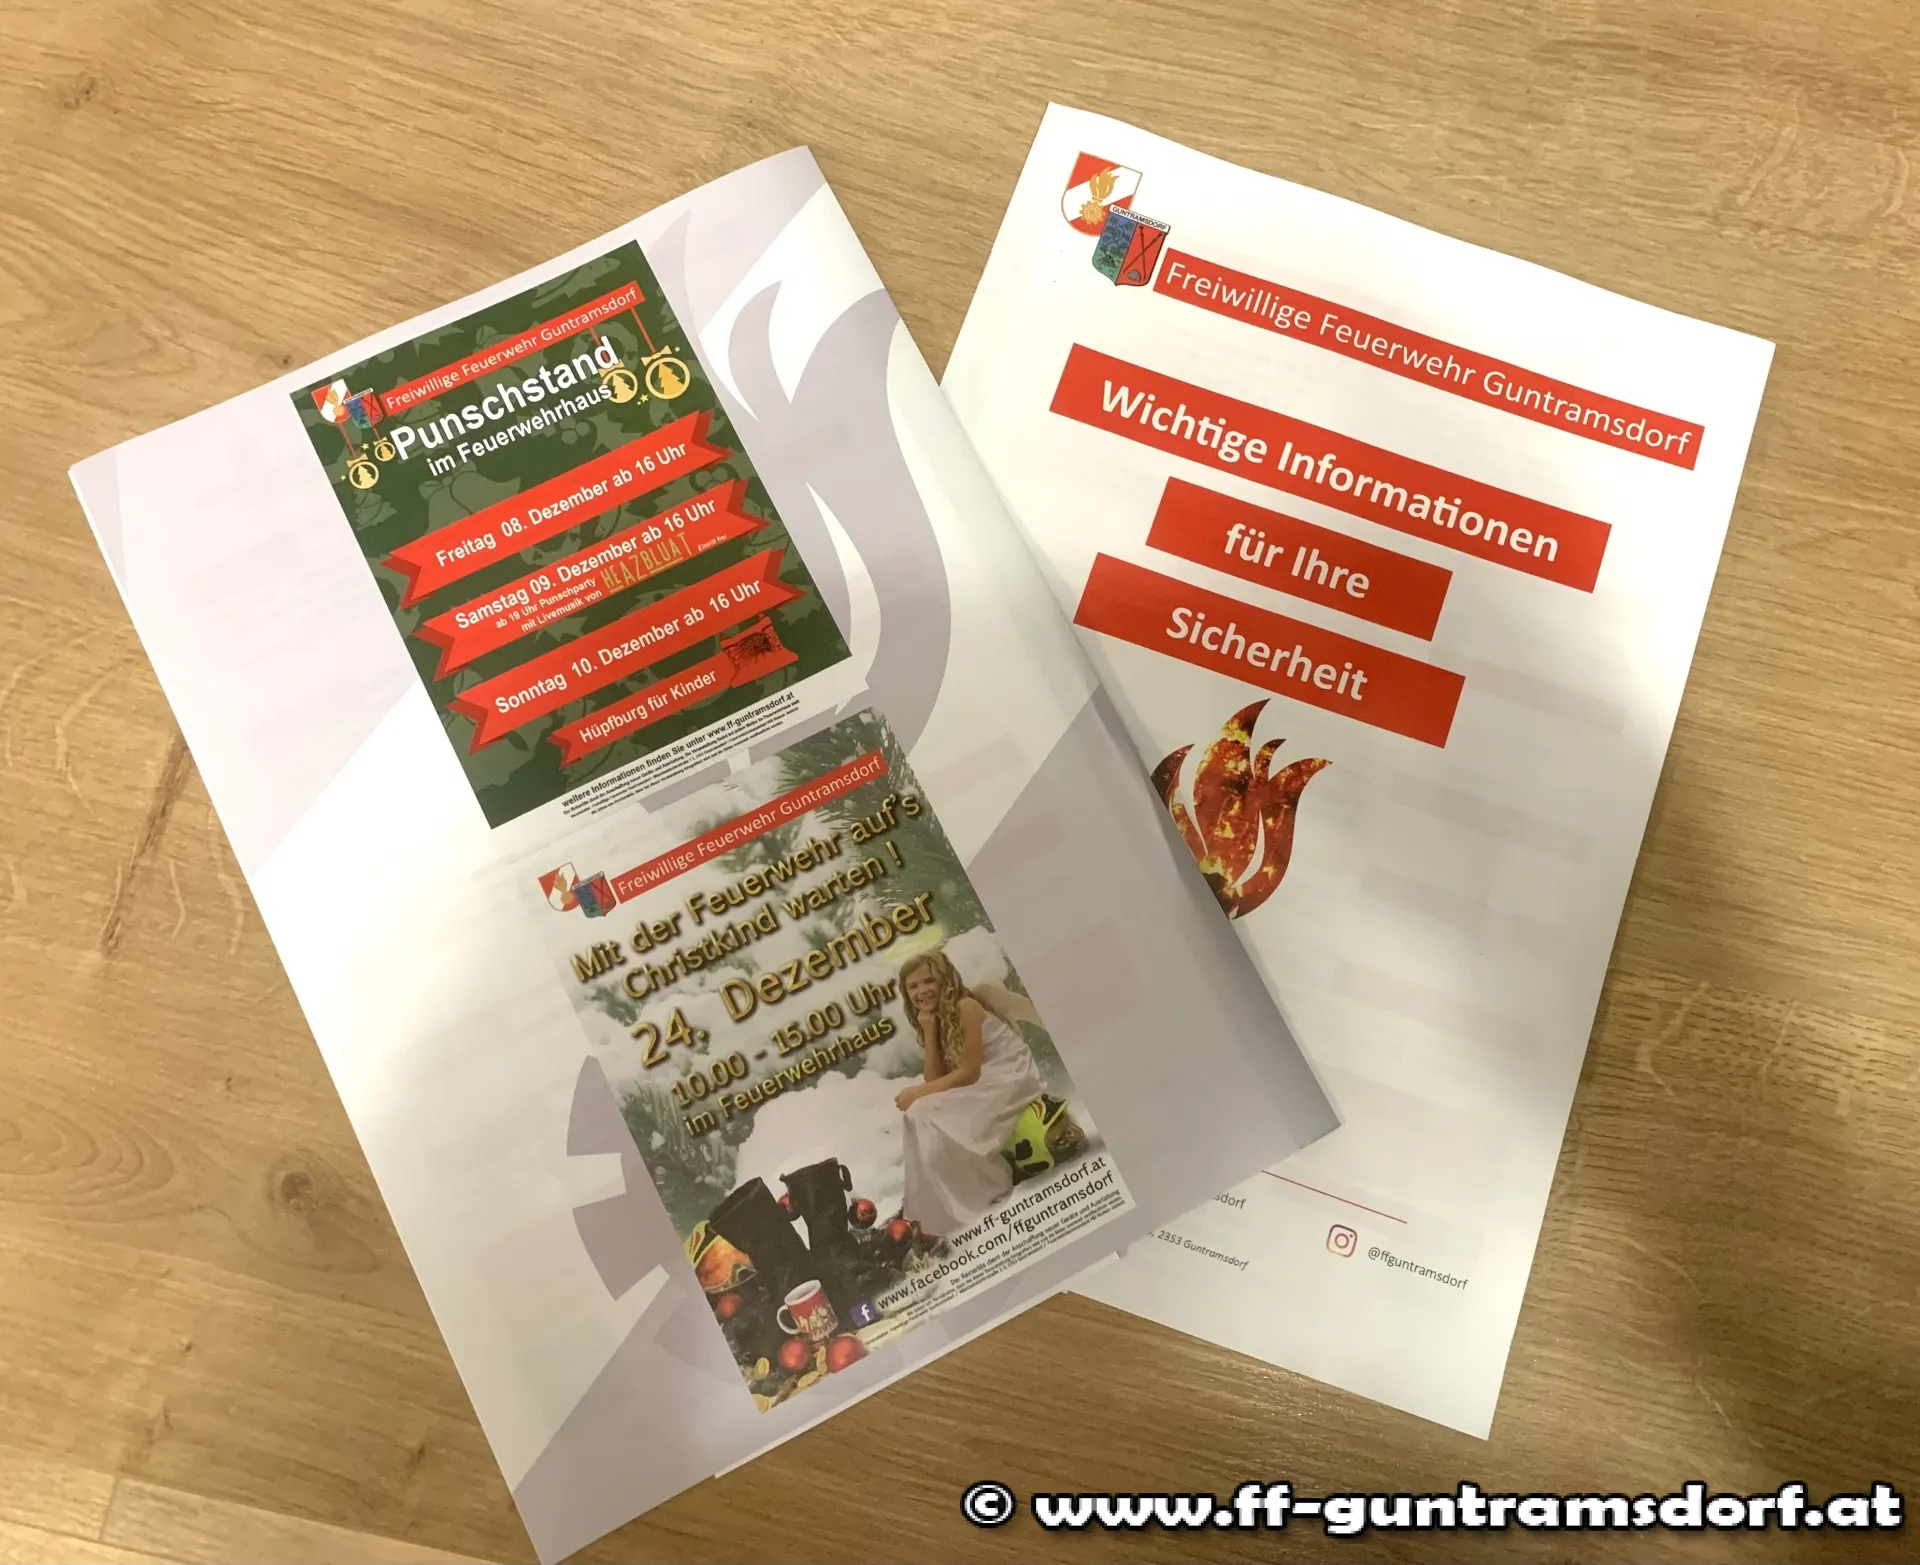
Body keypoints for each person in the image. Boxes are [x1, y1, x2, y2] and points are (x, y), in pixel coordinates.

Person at [894, 948, 1047, 1244]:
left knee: (930, 1114)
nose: (922, 991)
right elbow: (934, 1079)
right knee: (916, 1114)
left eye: (929, 981)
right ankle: (935, 1213)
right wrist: (929, 1030)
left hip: (1007, 1074)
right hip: (982, 1077)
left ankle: (989, 1188)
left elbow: (969, 1073)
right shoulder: (933, 1018)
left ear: (945, 980)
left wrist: (917, 1093)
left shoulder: (966, 1006)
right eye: (913, 986)